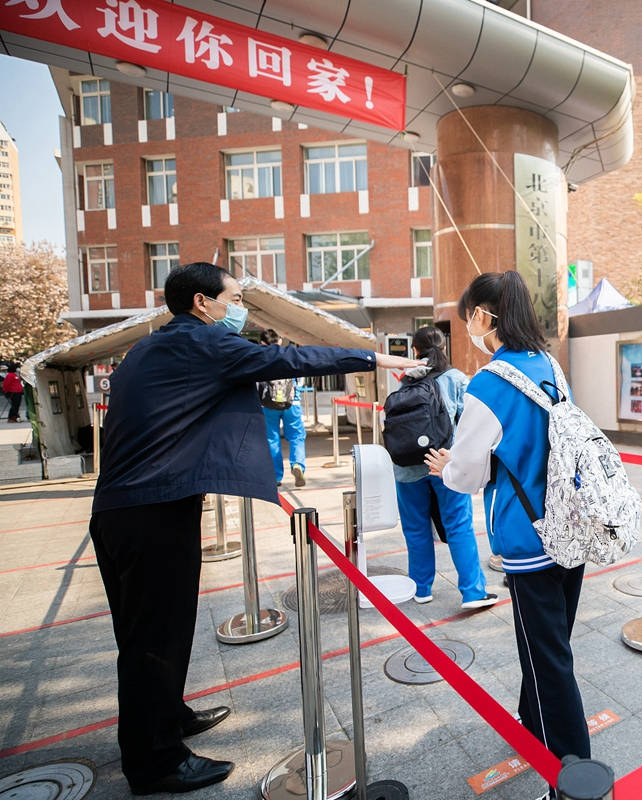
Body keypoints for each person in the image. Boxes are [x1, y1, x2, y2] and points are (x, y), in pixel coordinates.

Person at [89, 263, 421, 795]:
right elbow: (282, 359)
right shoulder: (201, 342)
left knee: (144, 632)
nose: (237, 307)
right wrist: (372, 356)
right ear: (202, 303)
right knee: (154, 637)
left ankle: (167, 717)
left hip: (122, 511)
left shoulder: (152, 347)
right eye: (234, 298)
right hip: (151, 511)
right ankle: (156, 762)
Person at [426, 270, 588, 799]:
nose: (467, 325)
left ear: (483, 316)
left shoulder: (490, 383)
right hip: (571, 525)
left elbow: (469, 471)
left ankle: (570, 772)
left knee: (547, 657)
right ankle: (531, 723)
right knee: (549, 642)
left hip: (528, 536)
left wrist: (448, 467)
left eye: (467, 315)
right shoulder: (549, 366)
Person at [394, 326, 498, 609]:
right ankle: (473, 592)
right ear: (443, 348)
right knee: (458, 525)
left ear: (414, 351)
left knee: (415, 529)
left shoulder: (403, 381)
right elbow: (468, 424)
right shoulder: (454, 379)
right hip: (444, 464)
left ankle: (421, 588)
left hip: (406, 469)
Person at [256, 329, 307, 487]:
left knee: (272, 438)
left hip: (268, 404)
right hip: (292, 403)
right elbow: (300, 380)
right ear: (279, 341)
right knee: (296, 437)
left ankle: (276, 476)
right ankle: (297, 464)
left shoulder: (260, 358)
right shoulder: (289, 355)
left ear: (262, 343)